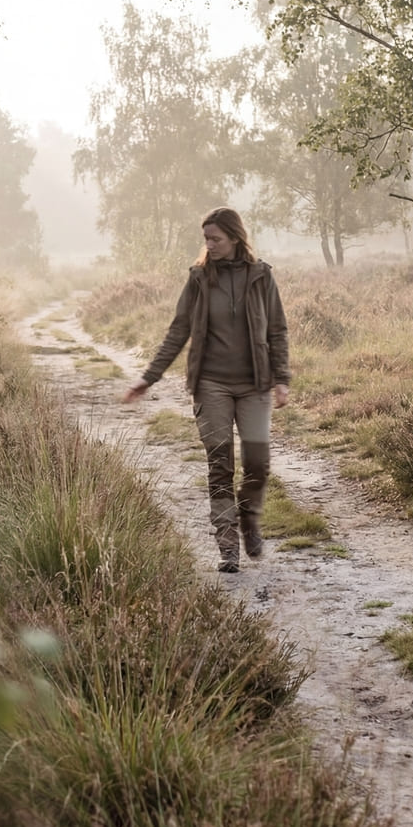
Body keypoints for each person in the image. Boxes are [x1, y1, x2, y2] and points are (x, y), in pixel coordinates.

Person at [123, 207, 290, 573]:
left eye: (216, 239)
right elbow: (177, 331)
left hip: (255, 386)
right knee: (219, 465)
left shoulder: (261, 276)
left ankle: (249, 521)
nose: (209, 245)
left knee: (258, 466)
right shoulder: (200, 278)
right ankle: (227, 544)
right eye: (206, 239)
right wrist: (148, 377)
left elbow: (277, 330)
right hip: (211, 384)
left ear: (234, 238)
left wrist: (282, 379)